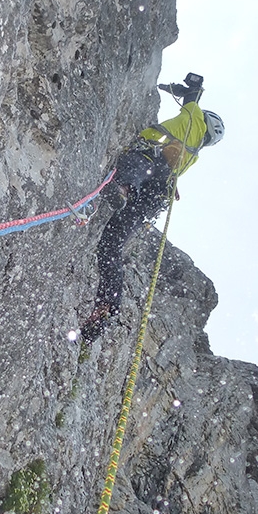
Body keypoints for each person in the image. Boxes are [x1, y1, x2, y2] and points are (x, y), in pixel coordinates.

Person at [81, 73, 224, 343]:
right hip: (155, 195)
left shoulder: (194, 115)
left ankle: (123, 187)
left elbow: (193, 97)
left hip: (149, 164)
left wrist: (189, 88)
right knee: (111, 246)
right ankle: (109, 304)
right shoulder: (193, 154)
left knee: (138, 160)